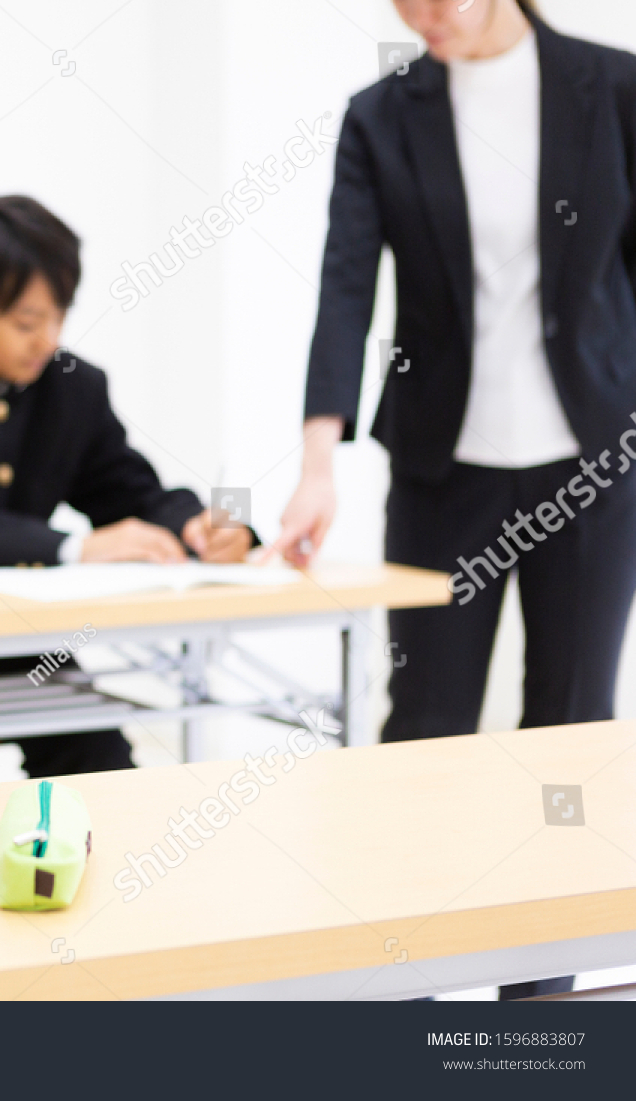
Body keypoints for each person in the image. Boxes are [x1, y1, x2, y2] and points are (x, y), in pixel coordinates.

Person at [269, 0, 636, 998]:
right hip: (443, 470)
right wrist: (318, 461)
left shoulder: (612, 87)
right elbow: (346, 288)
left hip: (593, 463)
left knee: (571, 733)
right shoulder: (382, 115)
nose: (423, 15)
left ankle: (539, 1012)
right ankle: (407, 992)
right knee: (424, 733)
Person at [0, 195, 252, 777]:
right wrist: (70, 546)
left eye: (59, 318)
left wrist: (198, 526)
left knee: (101, 767)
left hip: (19, 645)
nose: (49, 341)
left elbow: (128, 490)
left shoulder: (72, 387)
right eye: (27, 323)